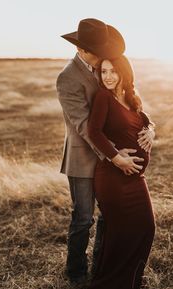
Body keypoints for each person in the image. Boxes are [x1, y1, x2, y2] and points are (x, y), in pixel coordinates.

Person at [56, 18, 155, 286]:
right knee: (83, 218)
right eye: (97, 48)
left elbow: (127, 103)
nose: (103, 53)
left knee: (109, 217)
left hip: (110, 158)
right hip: (83, 158)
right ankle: (76, 272)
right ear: (82, 49)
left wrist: (150, 127)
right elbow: (84, 127)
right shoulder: (68, 78)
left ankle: (102, 264)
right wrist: (114, 155)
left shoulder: (105, 67)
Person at [87, 56, 155, 289]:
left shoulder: (130, 98)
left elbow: (145, 120)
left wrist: (151, 130)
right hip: (112, 178)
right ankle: (109, 283)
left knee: (146, 227)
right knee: (119, 234)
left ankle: (129, 281)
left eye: (113, 71)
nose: (107, 76)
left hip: (136, 179)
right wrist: (117, 159)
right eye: (104, 71)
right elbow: (94, 132)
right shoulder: (103, 97)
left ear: (124, 73)